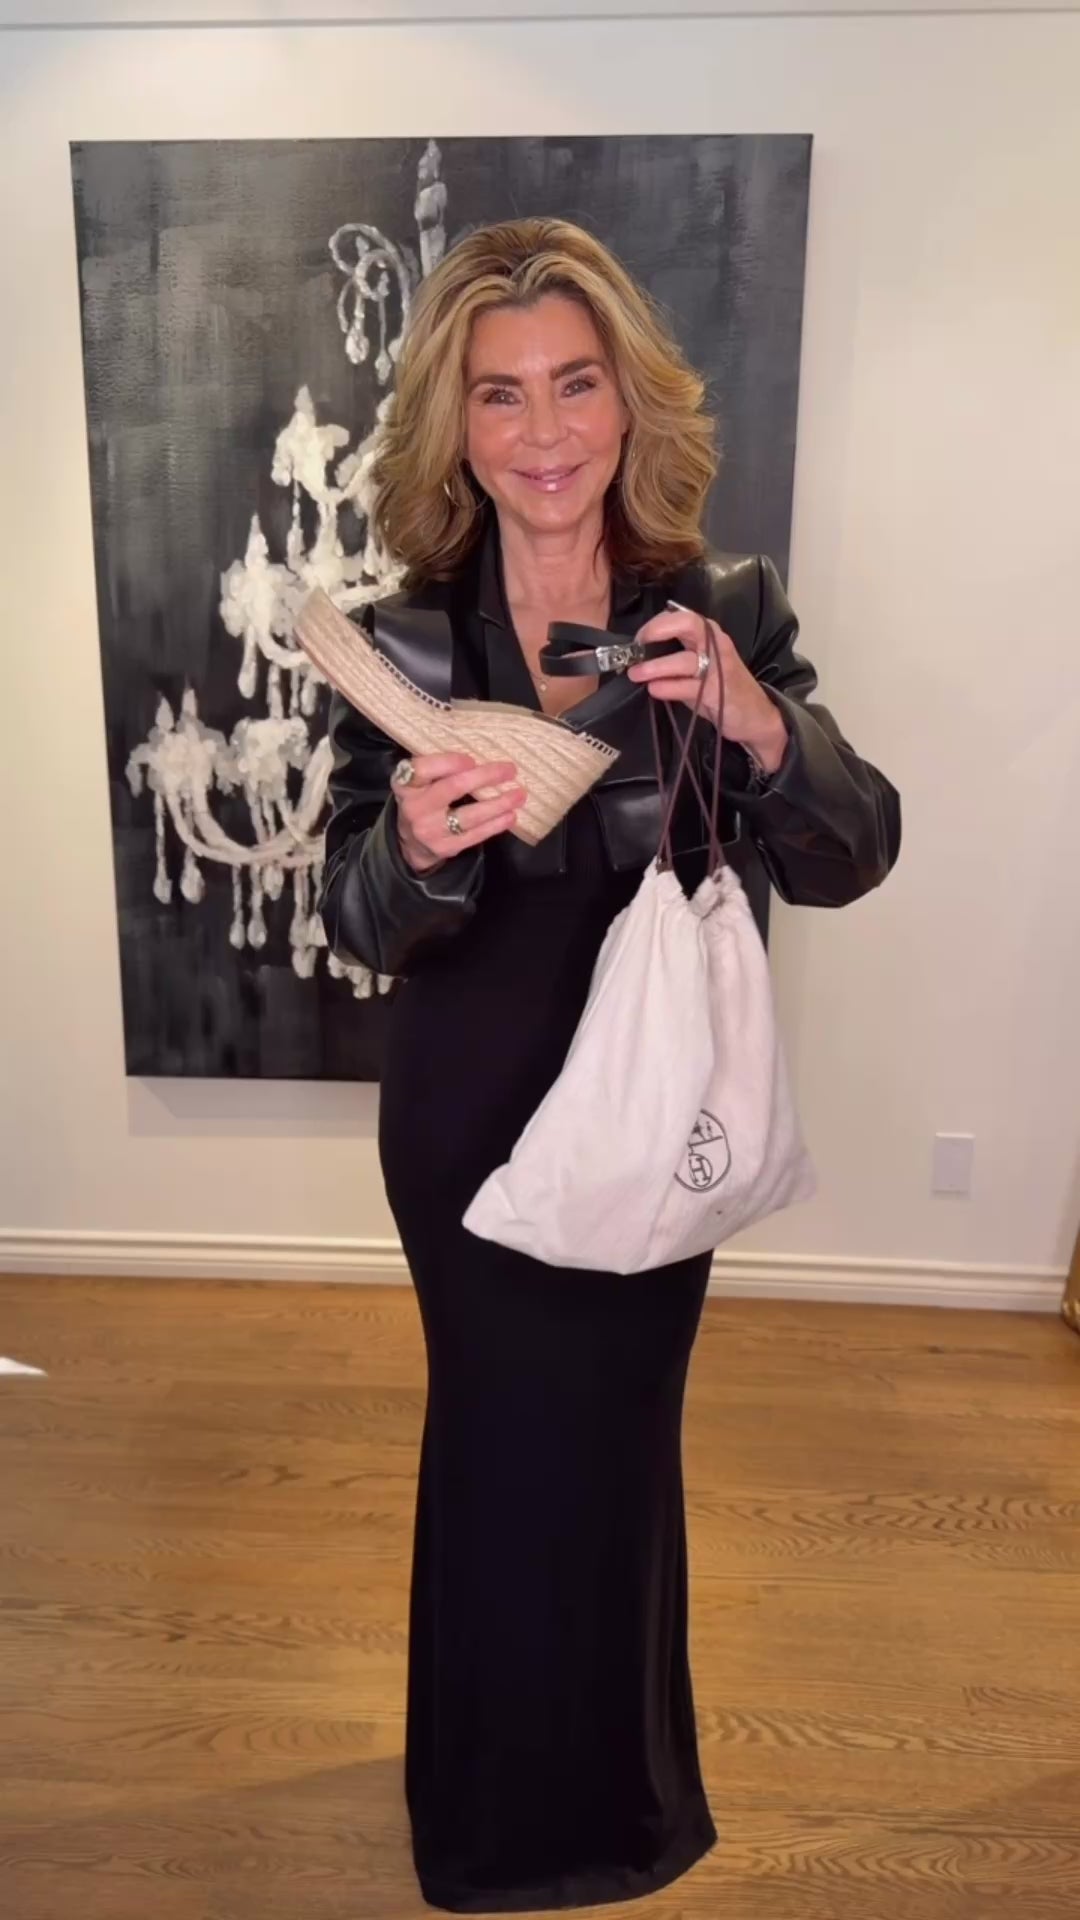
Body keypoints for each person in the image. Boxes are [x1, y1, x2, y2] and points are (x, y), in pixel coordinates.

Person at [319, 218, 900, 1914]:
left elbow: (854, 852)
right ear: (455, 425)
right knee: (498, 1445)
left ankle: (622, 1802)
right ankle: (488, 1819)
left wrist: (759, 723)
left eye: (576, 384)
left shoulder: (724, 612)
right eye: (501, 394)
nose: (545, 431)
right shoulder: (406, 644)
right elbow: (357, 917)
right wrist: (415, 847)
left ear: (630, 400)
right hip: (471, 1111)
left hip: (658, 1100)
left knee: (620, 1445)